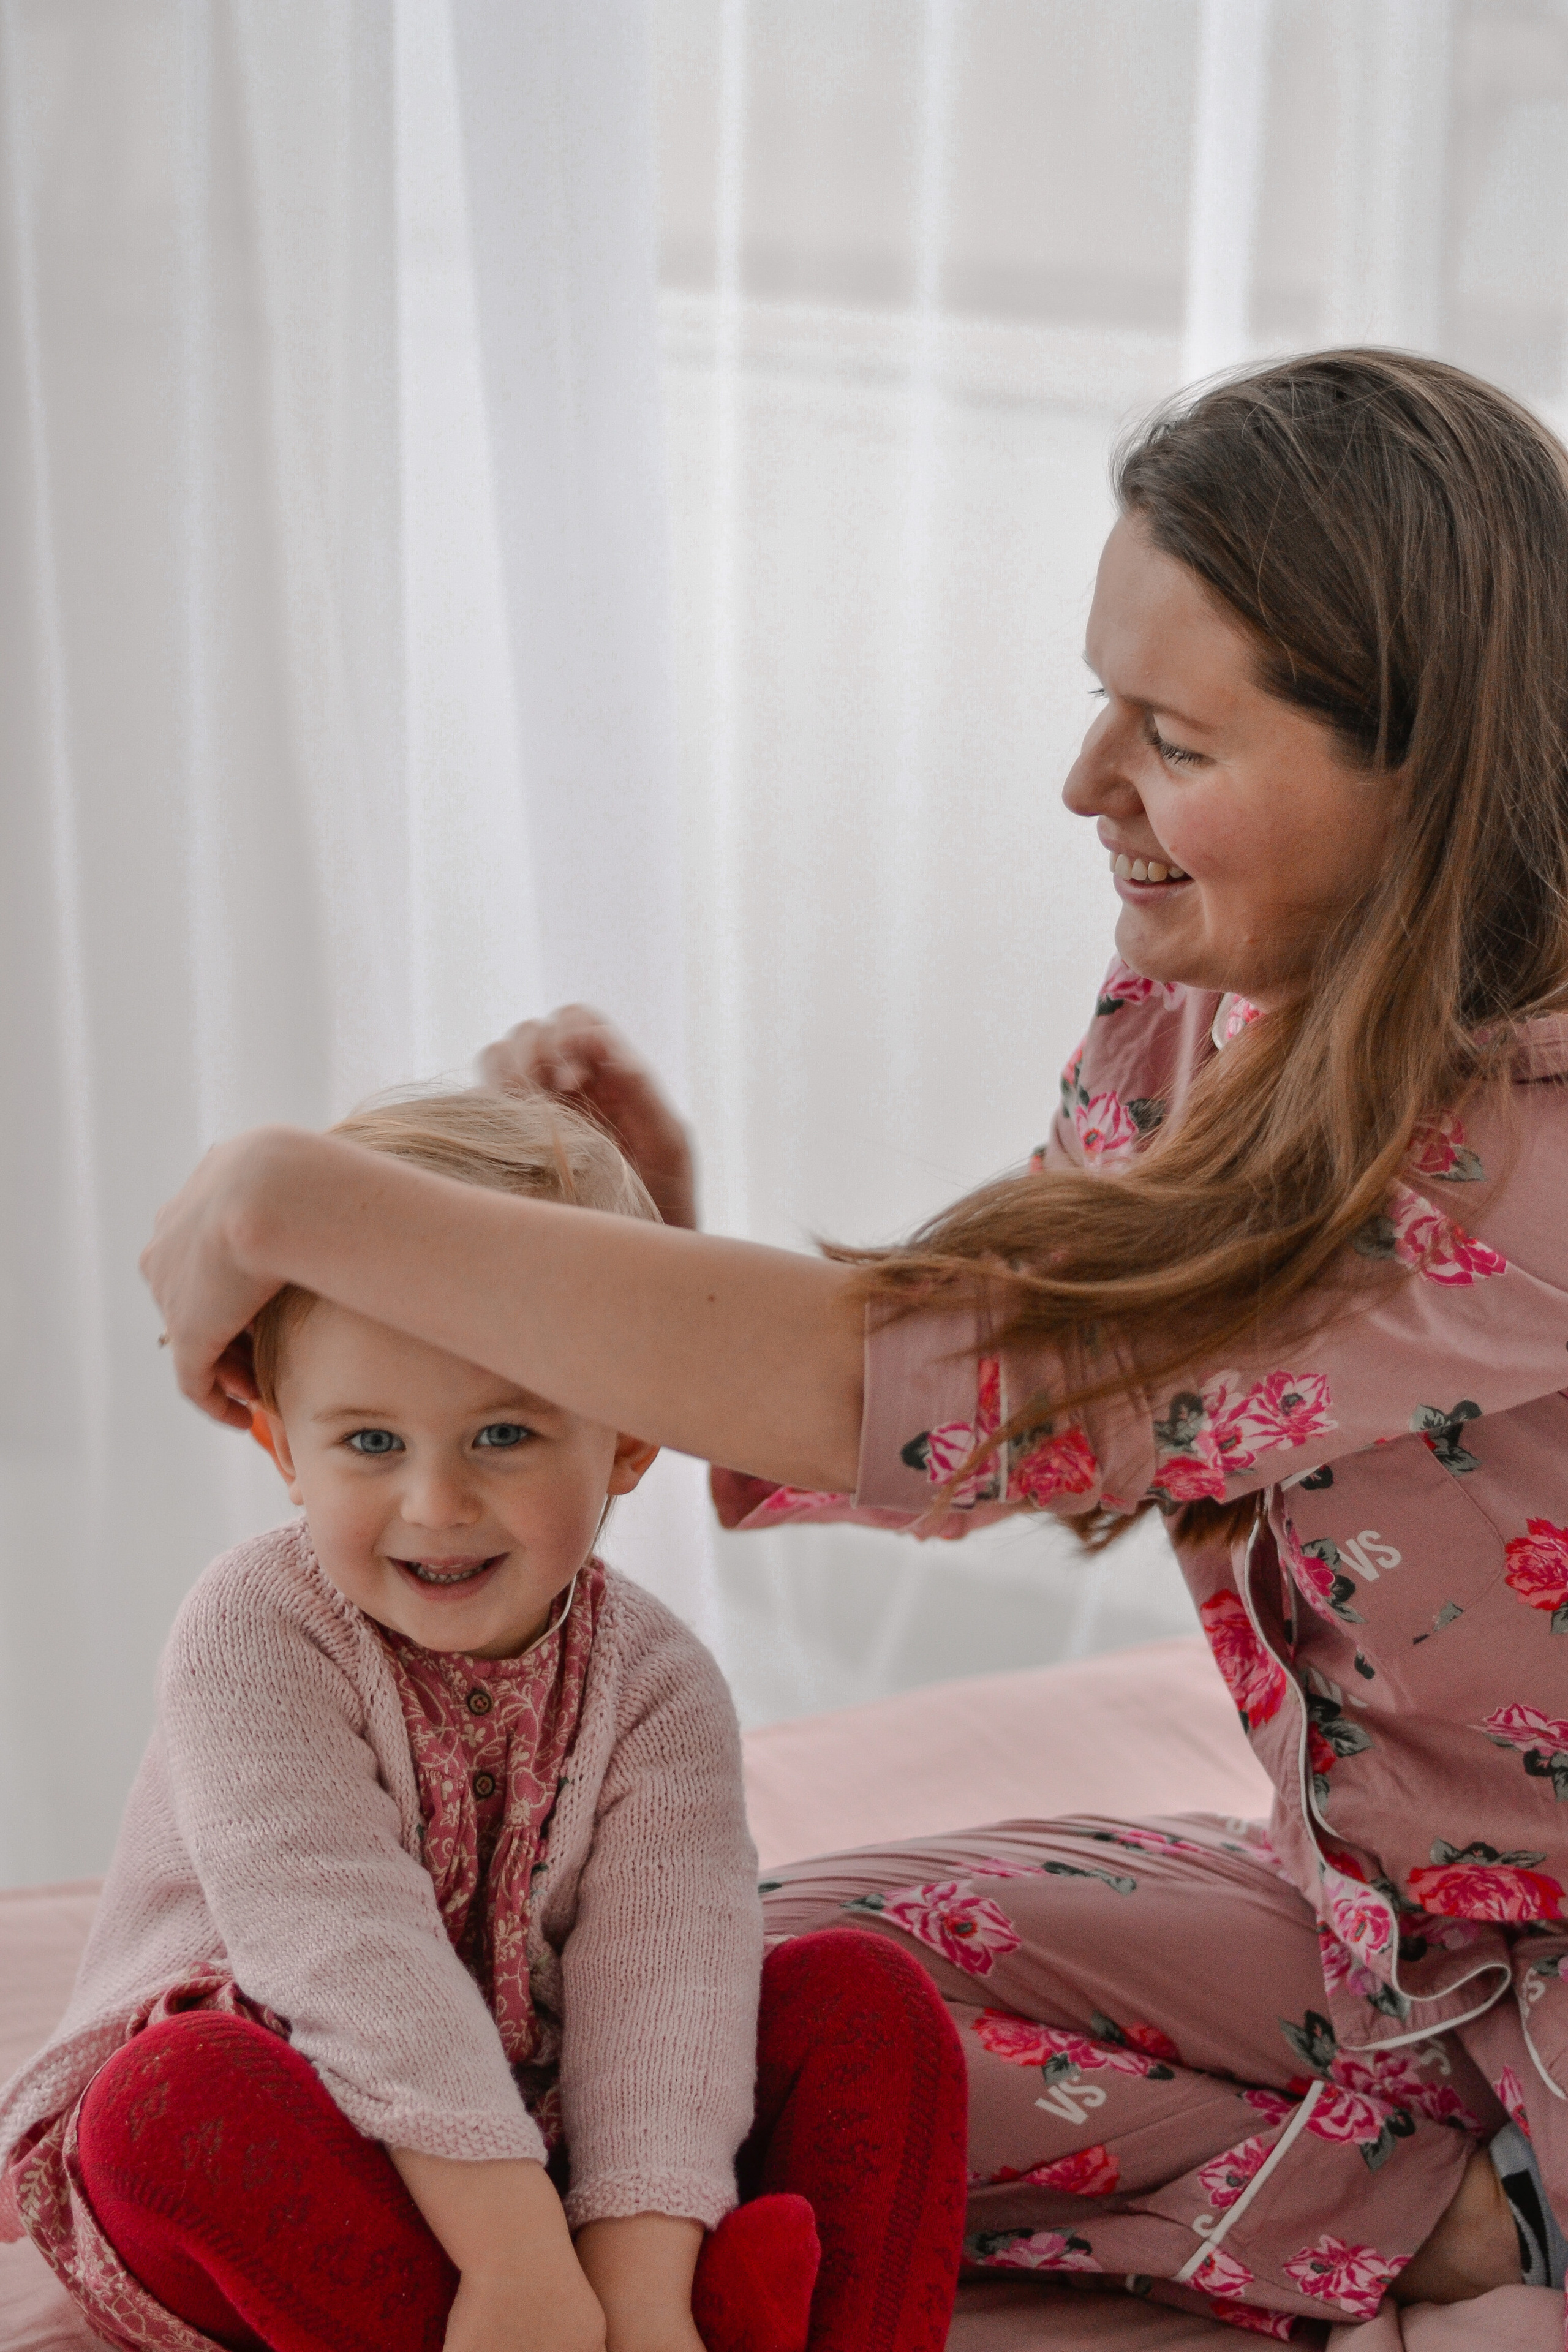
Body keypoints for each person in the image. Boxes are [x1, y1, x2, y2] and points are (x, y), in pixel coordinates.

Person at [137, 349, 1568, 2334]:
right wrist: (649, 1279)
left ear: (1425, 776)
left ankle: (1455, 2220)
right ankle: (1439, 2199)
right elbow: (990, 1391)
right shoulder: (1204, 1005)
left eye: (1171, 737)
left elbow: (987, 1386)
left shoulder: (1522, 1159)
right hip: (1378, 1916)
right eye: (1100, 700)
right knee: (697, 2007)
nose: (1086, 783)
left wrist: (303, 1203)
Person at [0, 1091, 968, 2352]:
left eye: (504, 1433)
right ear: (281, 1445)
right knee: (168, 2105)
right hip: (305, 2108)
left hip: (553, 2149)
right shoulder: (254, 1629)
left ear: (629, 1438)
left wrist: (639, 2284)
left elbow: (665, 1987)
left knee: (866, 1997)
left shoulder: (660, 1683)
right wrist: (517, 2263)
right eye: (370, 1441)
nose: (437, 1502)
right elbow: (343, 1947)